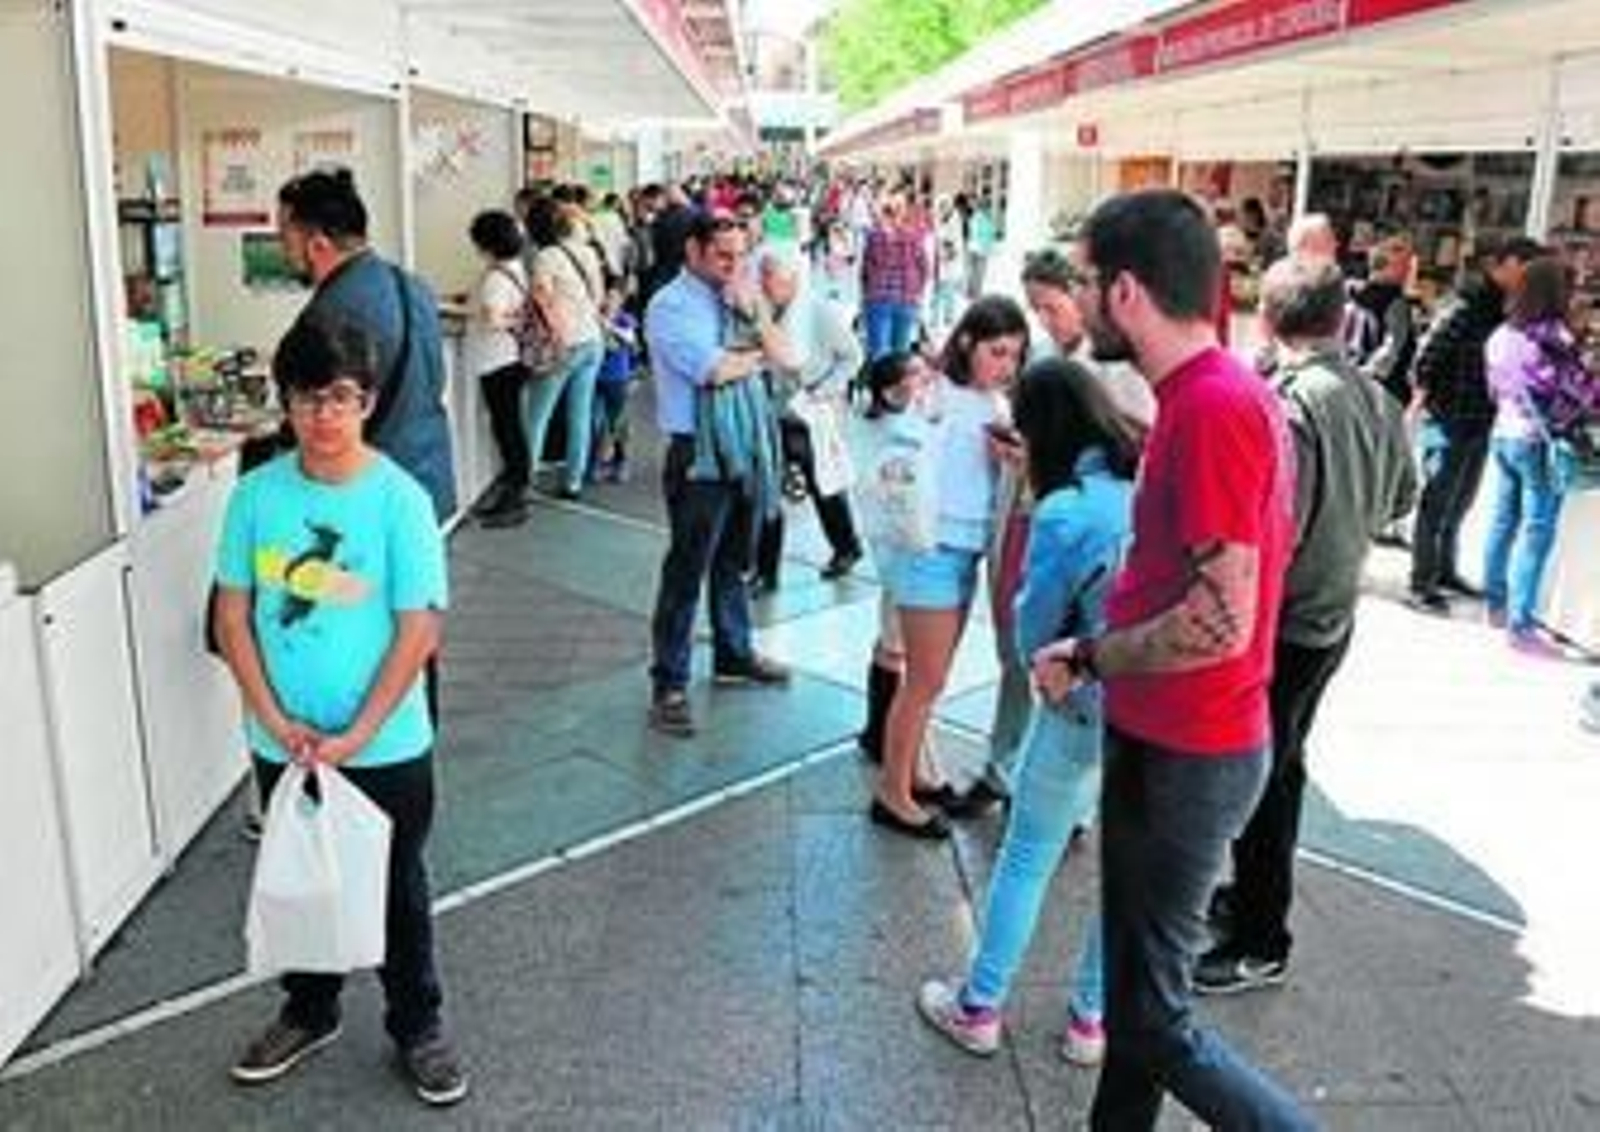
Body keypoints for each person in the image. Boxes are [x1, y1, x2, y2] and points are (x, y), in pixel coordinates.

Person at [1033, 188, 1312, 1131]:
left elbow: (1218, 623)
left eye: (1082, 280)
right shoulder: (1208, 398)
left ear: (1124, 291)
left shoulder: (1216, 409)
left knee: (1154, 1022)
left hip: (1191, 754)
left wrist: (1092, 651)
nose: (1072, 303)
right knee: (1134, 999)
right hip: (1171, 742)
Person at [214, 317, 465, 1107]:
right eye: (306, 399)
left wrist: (358, 731)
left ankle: (417, 1023)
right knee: (302, 876)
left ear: (369, 400)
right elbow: (232, 615)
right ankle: (310, 1008)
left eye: (341, 398)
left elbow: (419, 626)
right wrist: (270, 716)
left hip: (384, 742)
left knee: (395, 884)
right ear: (284, 402)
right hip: (282, 740)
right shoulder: (256, 495)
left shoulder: (400, 501)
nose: (324, 416)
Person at [1196, 257, 1417, 996]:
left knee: (1265, 778)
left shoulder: (1288, 404)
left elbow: (1271, 529)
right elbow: (1400, 499)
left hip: (1285, 621)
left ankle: (1262, 937)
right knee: (1282, 764)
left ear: (1267, 318)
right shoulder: (1375, 397)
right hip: (1333, 615)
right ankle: (1250, 900)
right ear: (1340, 319)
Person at [916, 357, 1139, 1067]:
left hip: (1079, 699)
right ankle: (1090, 1021)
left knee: (1028, 853)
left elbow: (1033, 628)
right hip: (1150, 704)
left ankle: (979, 1005)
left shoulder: (1066, 510)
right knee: (1125, 869)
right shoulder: (1148, 481)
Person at [961, 248, 1157, 815]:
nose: (1046, 319)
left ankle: (1064, 797)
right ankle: (1005, 766)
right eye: (1037, 309)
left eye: (1053, 306)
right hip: (1026, 510)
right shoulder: (1045, 358)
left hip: (1076, 527)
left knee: (1065, 648)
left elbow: (1137, 449)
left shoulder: (1118, 366)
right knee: (1019, 646)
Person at [872, 296, 1029, 839]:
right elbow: (904, 463)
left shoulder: (994, 403)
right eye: (997, 351)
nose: (1006, 365)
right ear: (968, 343)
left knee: (929, 680)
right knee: (925, 680)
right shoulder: (936, 395)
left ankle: (909, 772)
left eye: (1015, 354)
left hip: (966, 550)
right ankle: (892, 793)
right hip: (930, 549)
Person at [645, 211, 792, 738]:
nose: (734, 265)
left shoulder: (741, 297)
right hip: (698, 455)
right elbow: (714, 371)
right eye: (723, 256)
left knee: (734, 560)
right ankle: (670, 680)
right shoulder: (670, 306)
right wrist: (751, 355)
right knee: (686, 570)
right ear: (693, 251)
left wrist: (754, 316)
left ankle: (734, 652)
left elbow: (787, 358)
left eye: (740, 255)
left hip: (745, 446)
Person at [277, 168, 455, 523]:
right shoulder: (411, 285)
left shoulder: (329, 317)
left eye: (285, 238)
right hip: (428, 478)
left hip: (369, 504)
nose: (283, 250)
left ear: (317, 245)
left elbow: (321, 421)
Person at [1407, 236, 1545, 613]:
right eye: (1524, 266)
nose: (1527, 277)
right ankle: (1421, 582)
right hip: (1451, 418)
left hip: (1482, 419)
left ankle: (1444, 570)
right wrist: (1431, 402)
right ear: (1502, 264)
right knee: (1436, 500)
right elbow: (1425, 358)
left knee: (1461, 501)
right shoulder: (1464, 306)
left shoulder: (1503, 310)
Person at [1481, 256, 1598, 655]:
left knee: (1503, 520)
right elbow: (1577, 393)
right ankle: (1520, 625)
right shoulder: (1552, 337)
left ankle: (1494, 604)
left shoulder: (1501, 335)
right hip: (1538, 441)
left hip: (1504, 432)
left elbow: (1495, 388)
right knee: (1536, 531)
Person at [751, 245, 866, 590]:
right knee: (767, 489)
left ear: (792, 277)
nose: (765, 281)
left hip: (807, 410)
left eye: (771, 274)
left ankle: (846, 546)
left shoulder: (816, 311)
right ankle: (765, 571)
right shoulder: (761, 309)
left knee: (822, 484)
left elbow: (852, 357)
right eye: (764, 273)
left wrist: (823, 390)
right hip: (770, 410)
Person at [522, 195, 608, 500]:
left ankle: (525, 482)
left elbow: (542, 297)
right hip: (592, 340)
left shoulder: (545, 257)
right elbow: (599, 298)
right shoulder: (586, 252)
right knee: (579, 413)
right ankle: (573, 482)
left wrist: (557, 332)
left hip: (565, 343)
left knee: (537, 415)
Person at [463, 209, 532, 527]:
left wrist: (499, 318)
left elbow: (492, 317)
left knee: (507, 429)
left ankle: (514, 499)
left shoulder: (494, 277)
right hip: (512, 358)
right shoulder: (515, 268)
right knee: (511, 427)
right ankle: (515, 491)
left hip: (496, 360)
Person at [1347, 234, 1419, 406]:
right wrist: (1367, 378)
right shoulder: (1395, 302)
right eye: (1405, 265)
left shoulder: (1350, 294)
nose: (1409, 271)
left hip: (1352, 380)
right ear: (1387, 267)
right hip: (1382, 393)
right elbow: (1392, 350)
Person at [860, 190, 930, 360]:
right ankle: (898, 384)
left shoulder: (874, 235)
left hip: (879, 298)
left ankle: (881, 385)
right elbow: (924, 268)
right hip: (907, 300)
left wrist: (865, 293)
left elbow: (865, 269)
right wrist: (917, 292)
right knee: (901, 354)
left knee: (879, 352)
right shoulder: (914, 236)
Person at [591, 286, 639, 483]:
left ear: (621, 300)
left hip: (617, 378)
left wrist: (607, 325)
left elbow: (629, 339)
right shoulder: (595, 317)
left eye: (614, 297)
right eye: (607, 296)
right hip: (596, 377)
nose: (609, 300)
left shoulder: (625, 319)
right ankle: (597, 462)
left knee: (618, 422)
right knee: (595, 421)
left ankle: (621, 462)